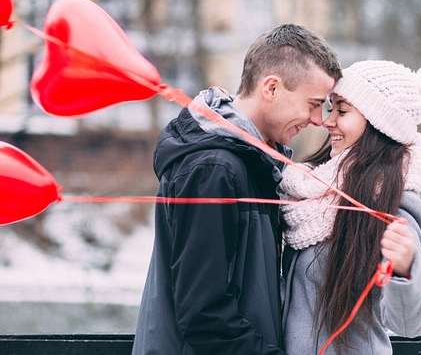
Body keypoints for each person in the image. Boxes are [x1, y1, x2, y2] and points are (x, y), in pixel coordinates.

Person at [131, 24, 341, 355]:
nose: (318, 119)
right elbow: (204, 314)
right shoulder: (214, 170)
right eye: (313, 104)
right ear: (271, 88)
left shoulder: (254, 164)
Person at [280, 61, 421, 354]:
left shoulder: (394, 204)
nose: (328, 121)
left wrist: (404, 270)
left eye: (342, 111)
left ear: (379, 124)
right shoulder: (310, 191)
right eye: (331, 108)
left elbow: (410, 324)